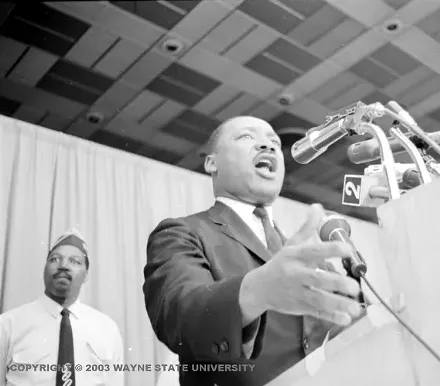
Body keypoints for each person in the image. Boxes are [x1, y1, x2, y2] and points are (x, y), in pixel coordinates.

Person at [143, 116, 366, 386]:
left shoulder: (307, 259)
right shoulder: (181, 233)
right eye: (247, 137)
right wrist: (255, 292)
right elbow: (180, 317)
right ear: (212, 163)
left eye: (274, 142)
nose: (268, 147)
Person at [0, 228, 125, 386]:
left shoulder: (107, 328)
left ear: (86, 274)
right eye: (55, 259)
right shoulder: (7, 325)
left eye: (75, 261)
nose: (63, 266)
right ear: (44, 269)